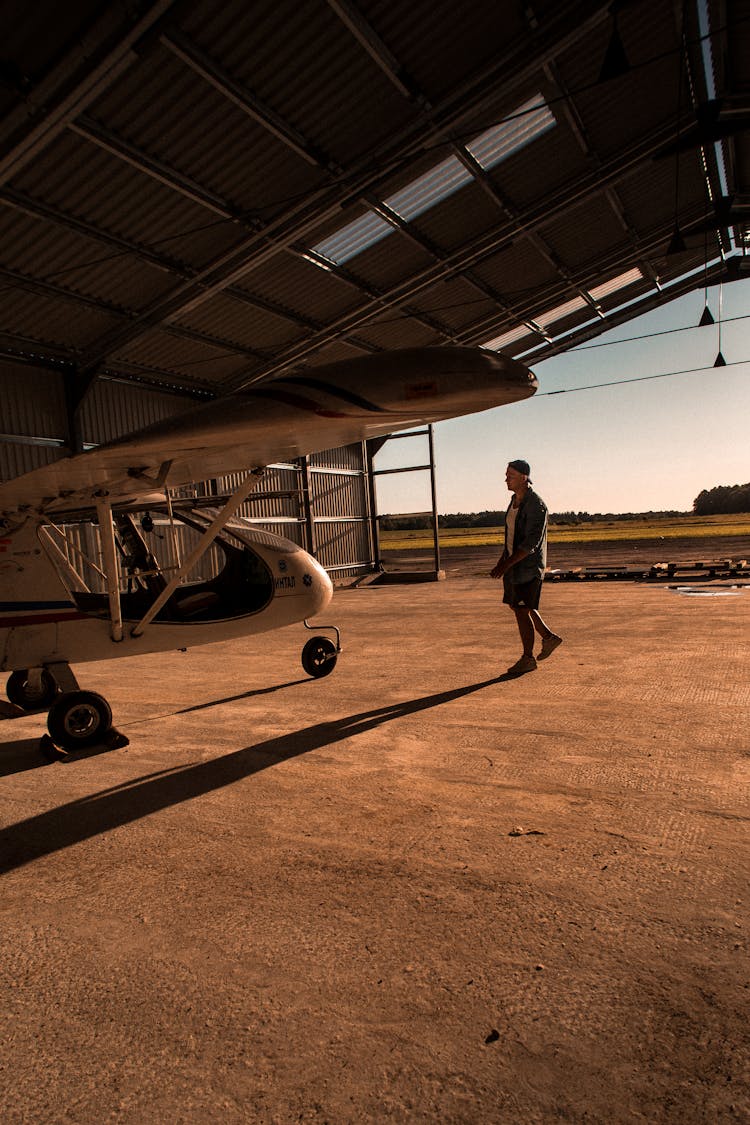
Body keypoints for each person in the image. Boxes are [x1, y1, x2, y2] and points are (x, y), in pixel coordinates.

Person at [490, 459, 562, 675]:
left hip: (527, 568)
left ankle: (528, 658)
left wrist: (506, 564)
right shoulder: (513, 502)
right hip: (513, 566)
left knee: (522, 609)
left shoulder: (536, 505)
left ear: (524, 477)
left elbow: (530, 544)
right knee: (519, 607)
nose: (505, 479)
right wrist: (502, 561)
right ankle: (549, 638)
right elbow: (510, 538)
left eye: (510, 475)